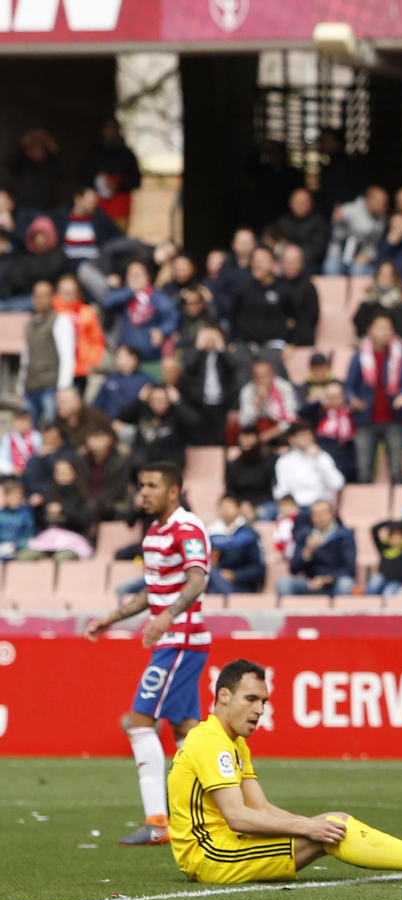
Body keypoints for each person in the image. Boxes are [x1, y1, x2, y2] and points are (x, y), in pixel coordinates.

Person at [166, 659, 402, 885]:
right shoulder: (211, 742)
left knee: (331, 824)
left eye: (263, 701)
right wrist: (307, 827)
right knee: (331, 830)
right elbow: (237, 816)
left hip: (229, 844)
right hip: (211, 856)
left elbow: (260, 808)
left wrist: (308, 825)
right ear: (223, 696)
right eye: (251, 699)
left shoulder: (232, 742)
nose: (260, 709)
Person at [83, 462, 211, 847]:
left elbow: (198, 579)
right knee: (186, 731)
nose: (144, 492)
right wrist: (112, 617)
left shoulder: (187, 528)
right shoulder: (155, 532)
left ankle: (158, 822)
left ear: (173, 491)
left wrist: (167, 617)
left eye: (152, 485)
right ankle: (209, 815)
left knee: (139, 721)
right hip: (170, 639)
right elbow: (152, 593)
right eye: (141, 485)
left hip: (181, 641)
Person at [346, 312, 402, 483]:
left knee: (396, 470)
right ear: (370, 330)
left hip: (394, 419)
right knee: (364, 470)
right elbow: (349, 386)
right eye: (380, 328)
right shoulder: (359, 355)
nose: (384, 332)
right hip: (366, 420)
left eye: (388, 328)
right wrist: (353, 399)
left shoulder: (400, 354)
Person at [18, 279, 75, 427]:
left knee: (51, 427)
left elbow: (67, 356)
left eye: (43, 295)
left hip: (51, 386)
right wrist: (20, 387)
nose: (39, 299)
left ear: (52, 297)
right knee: (29, 430)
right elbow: (26, 356)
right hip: (30, 386)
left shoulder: (60, 321)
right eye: (36, 295)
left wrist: (64, 387)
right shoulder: (29, 323)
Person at [278, 499, 356, 597]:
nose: (320, 517)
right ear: (311, 517)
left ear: (332, 514)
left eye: (323, 513)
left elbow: (349, 569)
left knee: (346, 584)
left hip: (334, 582)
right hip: (310, 582)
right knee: (284, 583)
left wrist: (326, 579)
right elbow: (293, 569)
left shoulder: (344, 535)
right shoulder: (305, 536)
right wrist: (308, 551)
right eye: (316, 514)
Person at [273, 421, 346, 508]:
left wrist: (318, 458)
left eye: (309, 435)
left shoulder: (322, 456)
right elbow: (282, 489)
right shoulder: (284, 461)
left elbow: (337, 484)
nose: (307, 438)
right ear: (291, 439)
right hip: (296, 506)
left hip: (320, 504)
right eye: (302, 435)